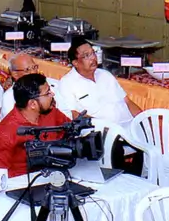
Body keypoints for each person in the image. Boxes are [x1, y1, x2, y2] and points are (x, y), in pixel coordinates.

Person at [55, 37, 142, 174]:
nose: (93, 58)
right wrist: (108, 128)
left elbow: (127, 102)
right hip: (103, 133)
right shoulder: (68, 83)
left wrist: (143, 120)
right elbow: (73, 114)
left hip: (128, 129)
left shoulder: (105, 75)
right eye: (86, 55)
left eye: (93, 53)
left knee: (148, 139)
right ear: (75, 63)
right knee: (116, 150)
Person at [0, 73, 71, 176]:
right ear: (32, 104)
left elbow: (70, 133)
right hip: (22, 186)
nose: (52, 94)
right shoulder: (4, 134)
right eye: (47, 93)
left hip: (57, 175)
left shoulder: (52, 113)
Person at [0, 53, 40, 120]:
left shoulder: (45, 87)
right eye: (27, 70)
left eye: (34, 67)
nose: (33, 72)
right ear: (15, 74)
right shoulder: (9, 98)